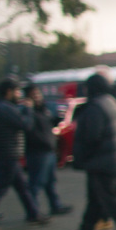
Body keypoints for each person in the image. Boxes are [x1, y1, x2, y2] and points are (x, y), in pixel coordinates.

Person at [68, 73, 116, 230]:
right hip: (109, 158)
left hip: (101, 160)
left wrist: (82, 155)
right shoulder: (109, 101)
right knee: (96, 198)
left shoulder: (95, 107)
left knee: (109, 199)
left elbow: (92, 136)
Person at [0, 79, 49, 230]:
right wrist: (28, 109)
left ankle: (33, 214)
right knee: (1, 188)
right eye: (17, 91)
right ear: (9, 91)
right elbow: (26, 125)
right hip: (9, 153)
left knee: (22, 186)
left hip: (4, 152)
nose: (19, 95)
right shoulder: (6, 108)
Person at [23, 84, 72, 217]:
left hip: (49, 150)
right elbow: (28, 128)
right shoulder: (27, 112)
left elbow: (50, 123)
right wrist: (28, 109)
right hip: (37, 151)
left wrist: (59, 118)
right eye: (34, 95)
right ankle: (34, 211)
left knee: (51, 182)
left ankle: (55, 205)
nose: (38, 97)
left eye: (38, 94)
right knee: (36, 182)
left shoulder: (43, 109)